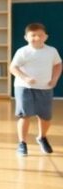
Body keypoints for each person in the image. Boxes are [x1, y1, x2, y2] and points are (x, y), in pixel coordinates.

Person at [10, 22, 61, 155]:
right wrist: (25, 78)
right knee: (25, 115)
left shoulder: (52, 51)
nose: (37, 38)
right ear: (26, 37)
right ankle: (22, 143)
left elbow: (58, 65)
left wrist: (55, 79)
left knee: (45, 117)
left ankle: (42, 137)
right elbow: (13, 68)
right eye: (33, 35)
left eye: (40, 35)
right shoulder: (22, 51)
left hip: (45, 88)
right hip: (24, 87)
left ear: (46, 37)